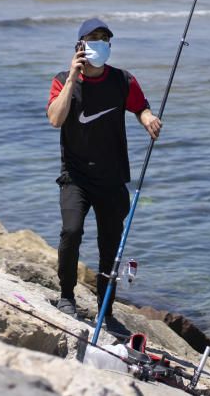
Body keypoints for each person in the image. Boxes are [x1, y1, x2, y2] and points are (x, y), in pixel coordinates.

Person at [47, 18, 162, 338]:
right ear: (80, 46)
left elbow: (141, 107)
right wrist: (72, 78)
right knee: (71, 231)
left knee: (110, 245)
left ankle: (106, 311)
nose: (101, 44)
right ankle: (66, 296)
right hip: (75, 177)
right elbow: (55, 119)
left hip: (112, 178)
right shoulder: (61, 80)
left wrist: (148, 118)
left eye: (105, 39)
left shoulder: (123, 80)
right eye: (93, 38)